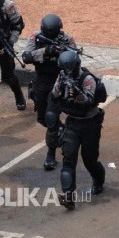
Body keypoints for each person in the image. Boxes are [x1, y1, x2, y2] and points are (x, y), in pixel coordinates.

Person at [46, 51, 106, 210]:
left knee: (89, 160)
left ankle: (99, 180)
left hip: (90, 125)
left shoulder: (88, 79)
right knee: (68, 160)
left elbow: (87, 103)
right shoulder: (61, 77)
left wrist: (75, 89)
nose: (67, 72)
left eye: (69, 69)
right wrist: (60, 85)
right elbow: (53, 97)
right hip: (72, 123)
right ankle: (68, 197)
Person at [22, 14, 76, 170]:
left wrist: (64, 54)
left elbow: (75, 59)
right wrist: (46, 51)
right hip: (41, 81)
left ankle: (50, 154)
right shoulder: (36, 37)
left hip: (59, 81)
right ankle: (64, 130)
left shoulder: (67, 39)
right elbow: (26, 56)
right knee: (42, 117)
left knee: (51, 117)